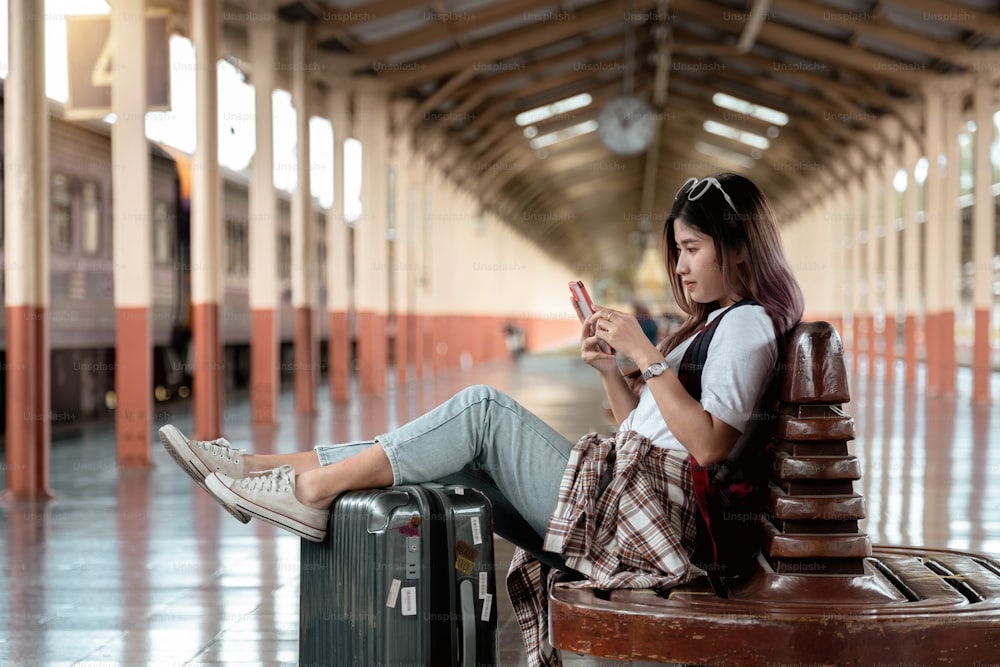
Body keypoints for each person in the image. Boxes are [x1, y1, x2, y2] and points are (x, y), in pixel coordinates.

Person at [160, 173, 803, 667]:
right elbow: (647, 429)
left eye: (692, 248)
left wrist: (647, 357)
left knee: (481, 411)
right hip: (631, 499)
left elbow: (711, 446)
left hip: (650, 523)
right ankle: (256, 469)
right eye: (679, 250)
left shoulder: (746, 325)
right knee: (438, 449)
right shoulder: (721, 322)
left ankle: (303, 489)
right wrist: (615, 372)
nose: (683, 266)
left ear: (738, 248)